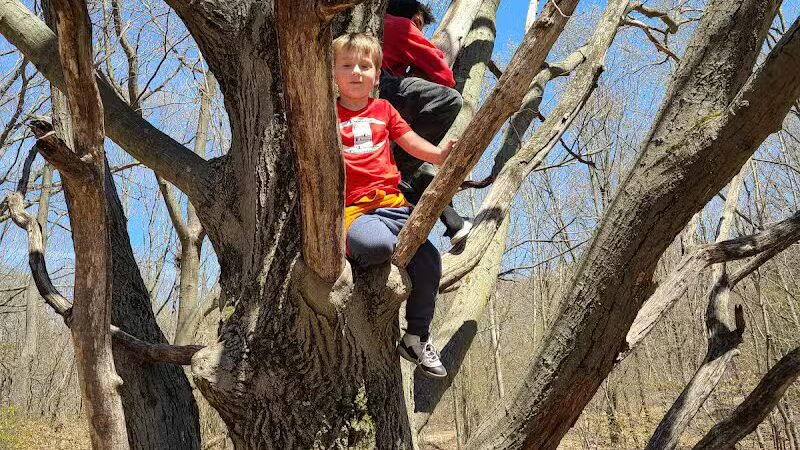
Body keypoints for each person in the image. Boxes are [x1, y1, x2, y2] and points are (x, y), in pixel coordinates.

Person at [333, 33, 451, 378]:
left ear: (377, 72)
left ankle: (416, 337)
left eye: (365, 66)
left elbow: (411, 142)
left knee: (429, 260)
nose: (356, 72)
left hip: (392, 205)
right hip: (353, 210)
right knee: (378, 245)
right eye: (347, 65)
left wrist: (440, 155)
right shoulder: (328, 114)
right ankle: (352, 252)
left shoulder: (383, 110)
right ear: (333, 73)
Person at [381, 0, 472, 246]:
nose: (420, 33)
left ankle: (455, 224)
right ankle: (401, 175)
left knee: (423, 168)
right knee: (449, 100)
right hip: (380, 87)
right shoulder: (400, 26)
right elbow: (444, 75)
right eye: (420, 27)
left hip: (374, 97)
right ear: (417, 19)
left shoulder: (381, 27)